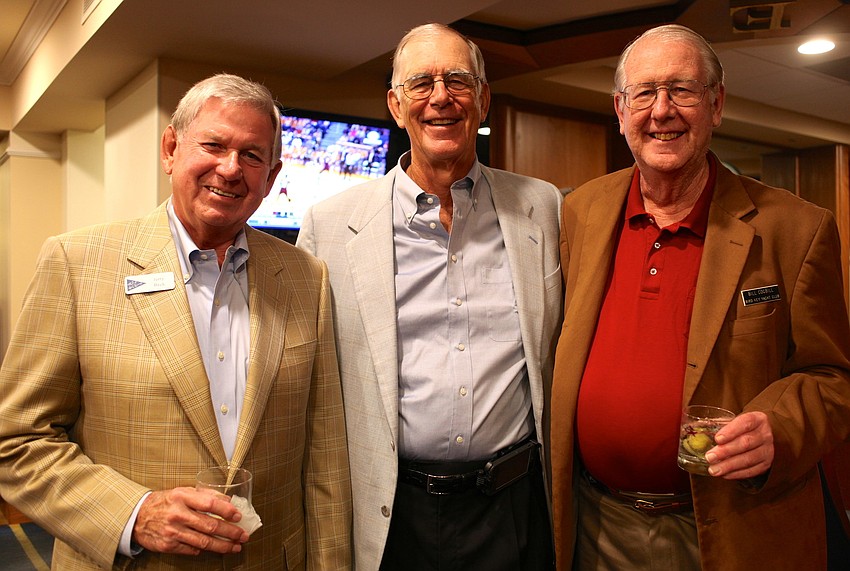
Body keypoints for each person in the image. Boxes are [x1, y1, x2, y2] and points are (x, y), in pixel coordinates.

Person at [0, 73, 352, 570]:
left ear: (271, 178)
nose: (230, 169)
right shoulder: (76, 263)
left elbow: (326, 455)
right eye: (212, 145)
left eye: (252, 155)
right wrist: (134, 514)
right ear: (170, 149)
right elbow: (17, 441)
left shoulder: (304, 277)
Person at [548, 24, 850, 571]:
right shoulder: (581, 212)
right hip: (595, 525)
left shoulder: (796, 229)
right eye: (645, 93)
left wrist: (780, 429)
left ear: (716, 104)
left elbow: (834, 378)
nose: (662, 110)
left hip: (728, 528)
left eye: (683, 90)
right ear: (621, 110)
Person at [297, 23, 562, 571]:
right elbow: (308, 378)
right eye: (422, 83)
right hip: (392, 514)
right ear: (396, 105)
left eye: (458, 80)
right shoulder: (330, 226)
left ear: (483, 99)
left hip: (514, 507)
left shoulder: (543, 208)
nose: (441, 97)